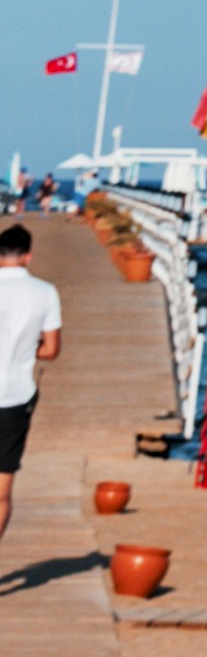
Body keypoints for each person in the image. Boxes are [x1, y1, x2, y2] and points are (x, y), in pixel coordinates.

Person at [0, 223, 59, 547]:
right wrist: (26, 349)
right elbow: (51, 350)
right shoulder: (45, 292)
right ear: (28, 256)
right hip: (14, 398)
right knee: (1, 492)